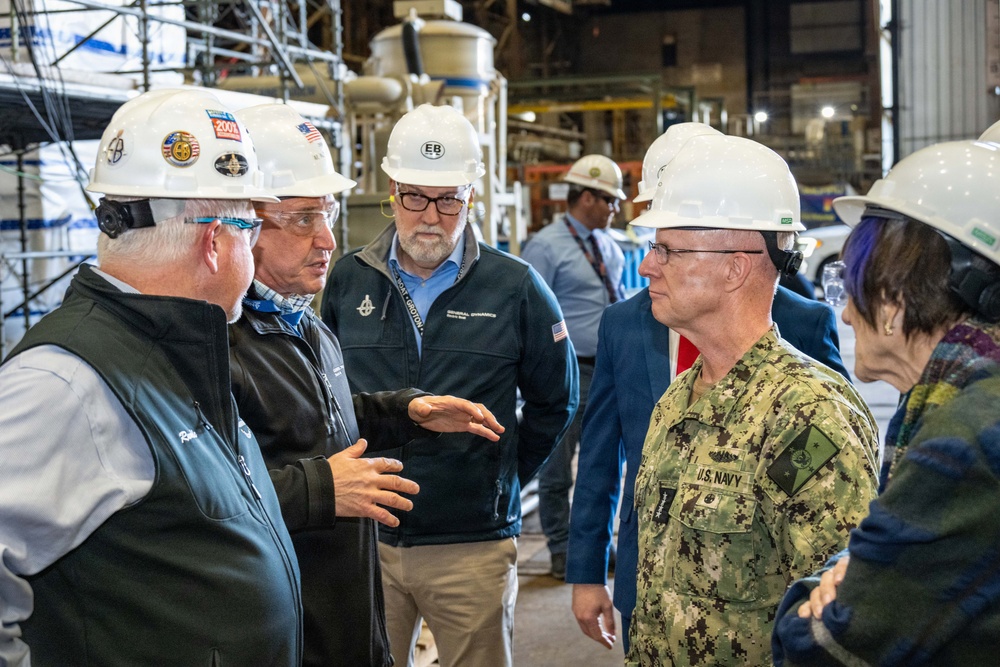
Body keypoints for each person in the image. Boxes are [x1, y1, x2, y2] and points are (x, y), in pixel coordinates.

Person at [0, 89, 303, 665]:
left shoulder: (172, 352)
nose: (254, 244)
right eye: (249, 226)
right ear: (214, 242)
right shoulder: (65, 383)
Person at [230, 103, 504, 667]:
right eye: (304, 219)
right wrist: (322, 489)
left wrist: (407, 412)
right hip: (290, 624)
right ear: (244, 221)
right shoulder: (219, 341)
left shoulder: (299, 319)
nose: (327, 240)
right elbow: (202, 499)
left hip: (347, 608)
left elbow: (318, 420)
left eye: (326, 215)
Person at [568, 122, 852, 652]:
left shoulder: (811, 410)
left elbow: (830, 583)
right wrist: (589, 570)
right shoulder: (676, 397)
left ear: (733, 267)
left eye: (668, 247)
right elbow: (604, 457)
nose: (648, 264)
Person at [321, 103, 577, 667]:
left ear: (470, 195)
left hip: (471, 543)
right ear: (392, 190)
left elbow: (555, 402)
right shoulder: (347, 279)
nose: (430, 216)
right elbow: (329, 397)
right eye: (414, 196)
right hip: (368, 537)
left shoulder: (517, 288)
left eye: (447, 199)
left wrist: (499, 474)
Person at [772, 139, 1000, 666]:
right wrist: (856, 566)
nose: (846, 316)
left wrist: (815, 594)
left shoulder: (966, 437)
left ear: (893, 302)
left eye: (852, 291)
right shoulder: (954, 395)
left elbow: (826, 647)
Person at [520, 153, 626, 579]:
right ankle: (562, 550)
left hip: (607, 371)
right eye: (610, 201)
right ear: (586, 198)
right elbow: (530, 314)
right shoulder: (546, 247)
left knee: (603, 466)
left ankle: (598, 546)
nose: (615, 209)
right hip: (568, 371)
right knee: (557, 470)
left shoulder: (609, 245)